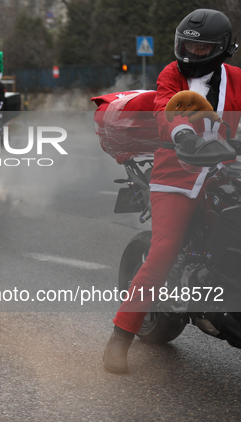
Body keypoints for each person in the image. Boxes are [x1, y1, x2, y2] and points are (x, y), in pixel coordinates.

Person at [103, 8, 241, 374]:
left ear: (223, 49)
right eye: (188, 48)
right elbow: (166, 106)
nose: (192, 56)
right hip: (176, 171)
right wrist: (181, 132)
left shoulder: (236, 79)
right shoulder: (172, 73)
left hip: (224, 168)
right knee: (163, 252)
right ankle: (120, 339)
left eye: (203, 50)